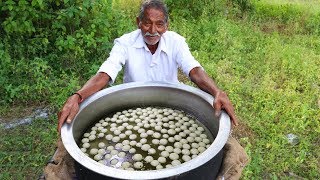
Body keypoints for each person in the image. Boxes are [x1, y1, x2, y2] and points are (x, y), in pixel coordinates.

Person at [57, 0, 238, 132]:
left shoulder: (176, 42)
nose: (152, 30)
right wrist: (78, 96)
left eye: (159, 24)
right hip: (133, 108)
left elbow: (194, 70)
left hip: (171, 105)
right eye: (147, 23)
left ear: (166, 26)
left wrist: (217, 92)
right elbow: (105, 73)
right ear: (138, 23)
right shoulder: (125, 43)